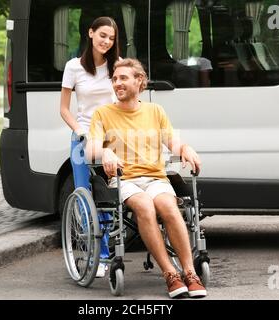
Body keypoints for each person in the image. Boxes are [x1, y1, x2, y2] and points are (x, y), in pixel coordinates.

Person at [86, 58, 207, 298]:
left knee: (169, 207)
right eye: (114, 79)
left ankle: (190, 272)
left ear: (139, 80)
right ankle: (170, 274)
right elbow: (90, 150)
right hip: (124, 180)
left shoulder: (155, 111)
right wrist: (106, 151)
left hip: (155, 178)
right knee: (144, 206)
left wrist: (185, 148)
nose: (117, 83)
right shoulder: (103, 114)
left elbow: (172, 142)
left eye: (123, 78)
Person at [60, 16, 120, 278]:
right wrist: (80, 130)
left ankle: (107, 255)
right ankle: (98, 254)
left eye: (112, 38)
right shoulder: (73, 67)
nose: (107, 41)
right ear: (91, 33)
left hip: (110, 139)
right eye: (103, 35)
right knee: (85, 195)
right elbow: (64, 109)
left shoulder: (117, 66)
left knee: (107, 198)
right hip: (83, 137)